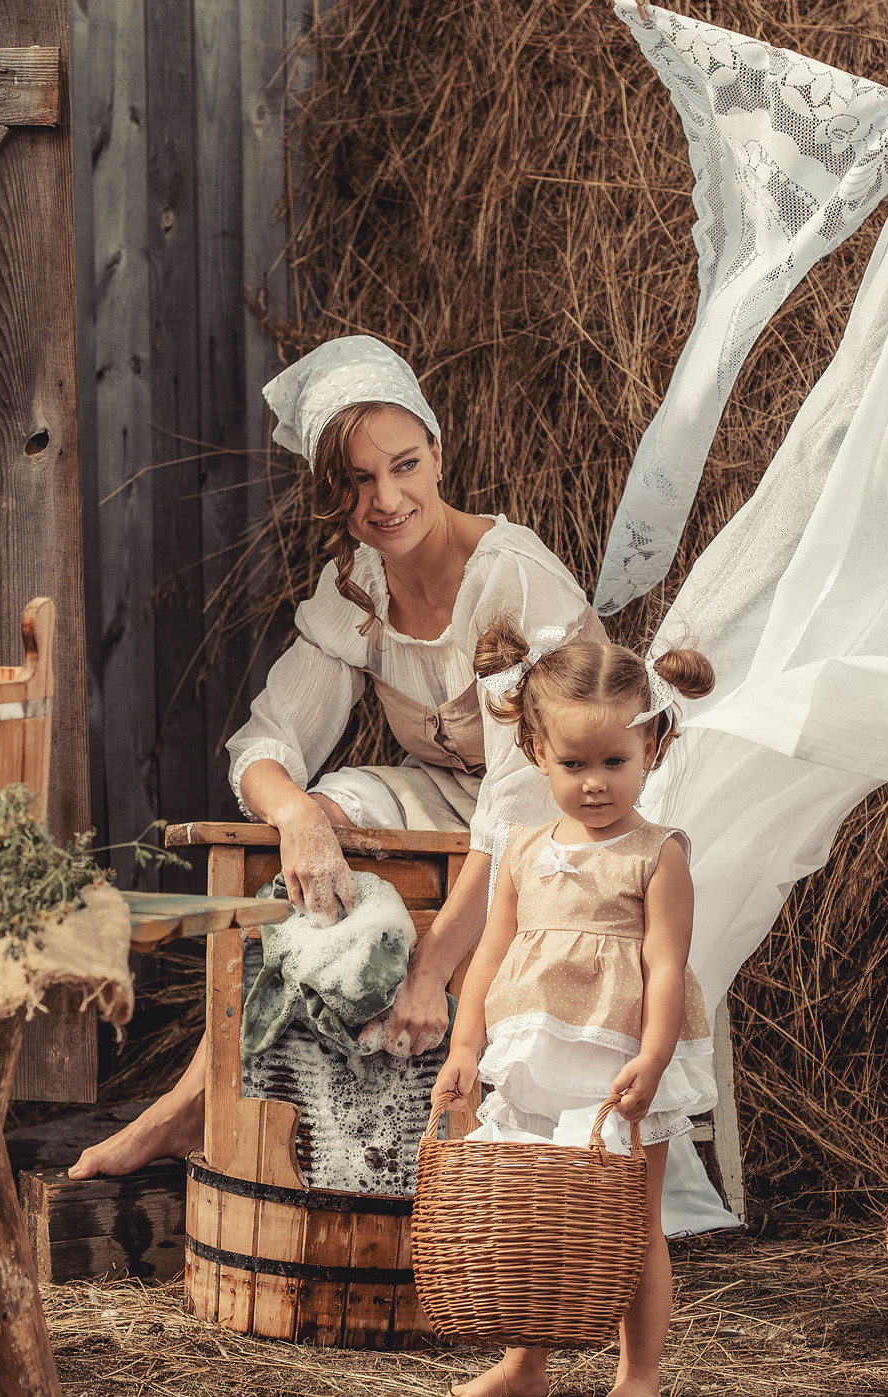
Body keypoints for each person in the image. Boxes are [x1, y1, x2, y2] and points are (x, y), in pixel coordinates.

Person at [70, 336, 594, 1179]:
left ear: (438, 452)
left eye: (404, 464)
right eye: (356, 479)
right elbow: (265, 742)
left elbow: (524, 800)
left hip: (573, 809)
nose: (386, 498)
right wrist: (298, 815)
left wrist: (429, 970)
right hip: (454, 795)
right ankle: (211, 1098)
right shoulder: (358, 585)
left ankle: (195, 1105)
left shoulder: (509, 578)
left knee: (459, 813)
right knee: (325, 813)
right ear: (330, 491)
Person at [429, 617, 717, 1397]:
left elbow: (666, 963)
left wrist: (654, 1056)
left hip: (620, 1054)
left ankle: (639, 1375)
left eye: (614, 762)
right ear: (535, 752)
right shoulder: (521, 847)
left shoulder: (658, 854)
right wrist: (465, 1044)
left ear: (653, 746)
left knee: (633, 1220)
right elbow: (490, 953)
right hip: (535, 1049)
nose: (595, 783)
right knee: (534, 1209)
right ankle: (527, 1363)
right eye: (574, 764)